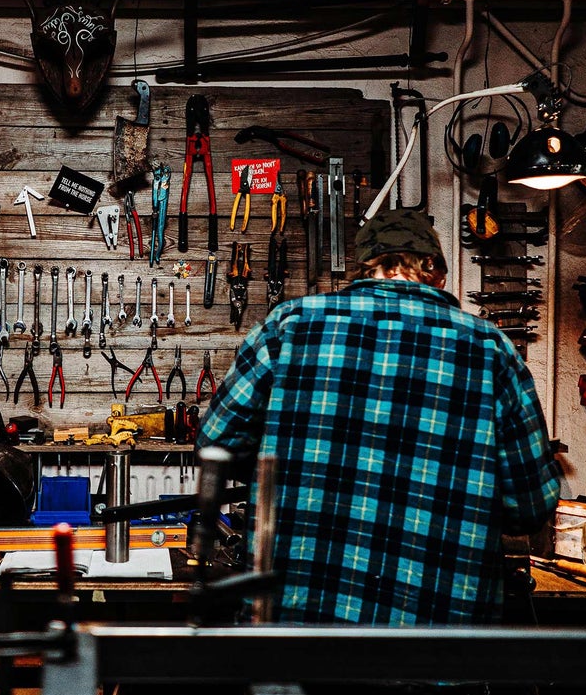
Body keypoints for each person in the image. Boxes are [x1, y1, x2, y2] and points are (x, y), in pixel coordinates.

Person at [198, 207, 561, 627]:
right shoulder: (491, 351)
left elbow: (215, 445)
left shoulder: (289, 327)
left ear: (365, 269)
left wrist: (291, 464)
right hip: (437, 642)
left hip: (295, 635)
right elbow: (531, 506)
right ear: (437, 272)